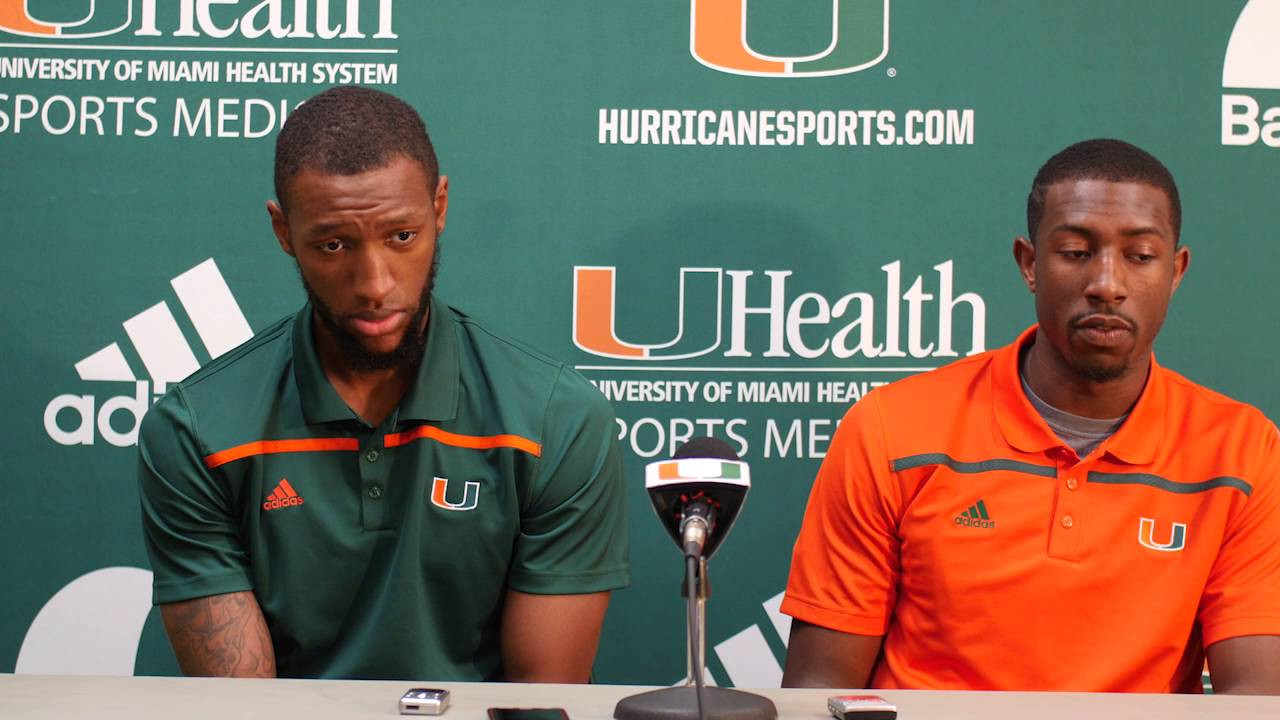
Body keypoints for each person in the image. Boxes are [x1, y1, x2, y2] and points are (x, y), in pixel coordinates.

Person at [137, 86, 628, 681]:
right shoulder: (198, 428)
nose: (374, 283)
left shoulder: (556, 420)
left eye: (401, 236)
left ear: (439, 206)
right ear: (283, 230)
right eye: (334, 244)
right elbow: (241, 707)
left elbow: (541, 700)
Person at [780, 139, 1280, 693]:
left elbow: (1256, 699)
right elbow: (819, 688)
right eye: (1074, 251)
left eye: (1140, 256)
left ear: (1176, 271)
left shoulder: (1242, 450)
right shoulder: (890, 430)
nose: (1107, 285)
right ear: (1030, 263)